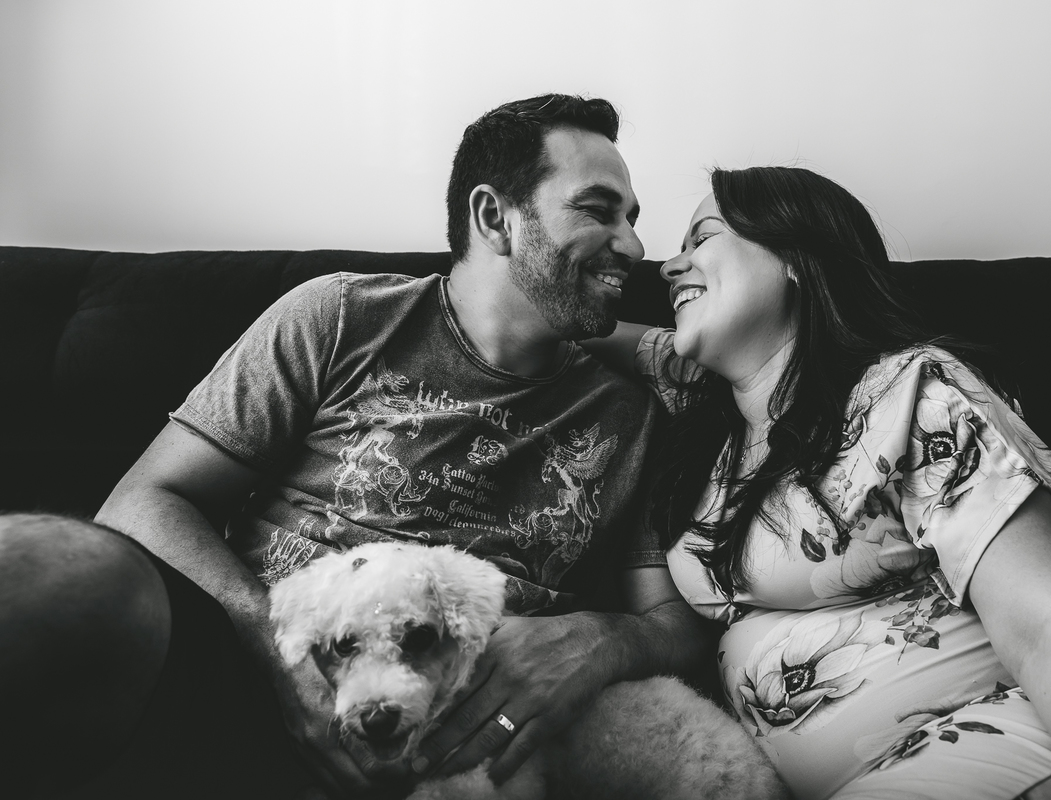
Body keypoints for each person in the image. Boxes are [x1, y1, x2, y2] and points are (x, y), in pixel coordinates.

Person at [0, 94, 711, 799]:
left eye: (631, 217)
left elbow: (675, 624)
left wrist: (601, 638)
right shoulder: (342, 318)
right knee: (68, 566)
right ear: (495, 218)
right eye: (598, 210)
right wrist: (281, 655)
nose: (633, 246)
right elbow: (141, 502)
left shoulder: (629, 412)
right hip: (244, 665)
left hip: (447, 739)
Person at [586, 166, 1051, 799]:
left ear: (794, 256)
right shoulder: (702, 409)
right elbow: (572, 330)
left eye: (703, 238)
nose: (670, 266)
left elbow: (1046, 625)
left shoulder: (912, 393)